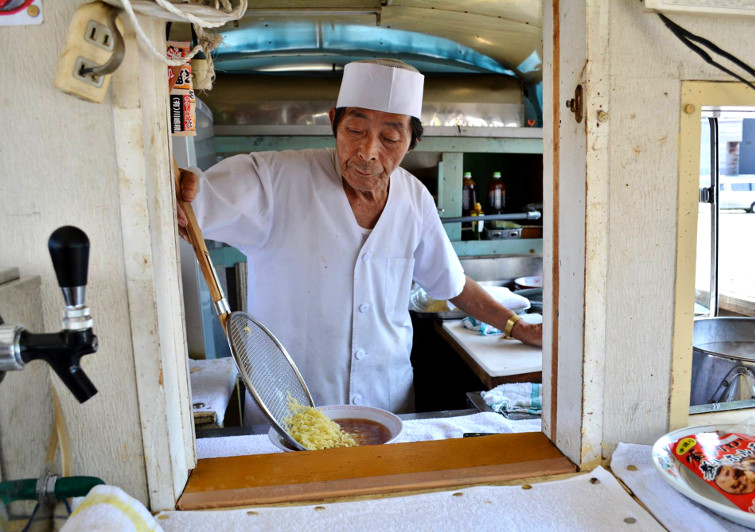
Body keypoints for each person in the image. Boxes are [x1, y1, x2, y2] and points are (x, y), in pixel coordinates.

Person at [177, 59, 541, 422]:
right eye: (355, 130)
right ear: (333, 121)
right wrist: (182, 191)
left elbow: (454, 285)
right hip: (290, 413)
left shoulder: (415, 199)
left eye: (390, 138)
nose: (368, 151)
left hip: (387, 405)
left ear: (412, 141)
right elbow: (198, 198)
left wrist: (517, 326)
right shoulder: (273, 179)